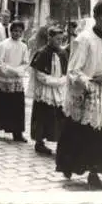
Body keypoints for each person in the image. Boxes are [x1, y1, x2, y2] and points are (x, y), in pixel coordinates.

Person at [55, 0, 102, 190]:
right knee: (78, 132)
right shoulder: (83, 39)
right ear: (95, 17)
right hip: (85, 94)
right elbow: (73, 70)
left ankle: (94, 173)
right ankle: (68, 165)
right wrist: (86, 82)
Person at [28, 26, 69, 155]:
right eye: (57, 39)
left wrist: (63, 80)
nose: (59, 42)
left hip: (59, 90)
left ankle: (60, 142)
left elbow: (67, 71)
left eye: (61, 40)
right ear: (49, 38)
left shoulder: (63, 53)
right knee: (42, 116)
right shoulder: (42, 53)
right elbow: (40, 75)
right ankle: (39, 142)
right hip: (45, 90)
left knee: (58, 117)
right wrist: (55, 81)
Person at [0, 20, 29, 141]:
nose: (17, 33)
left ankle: (17, 132)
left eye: (20, 31)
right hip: (2, 80)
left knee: (17, 107)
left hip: (16, 82)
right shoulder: (3, 45)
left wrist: (18, 71)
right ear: (10, 31)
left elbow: (26, 62)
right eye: (15, 31)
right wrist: (11, 71)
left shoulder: (24, 46)